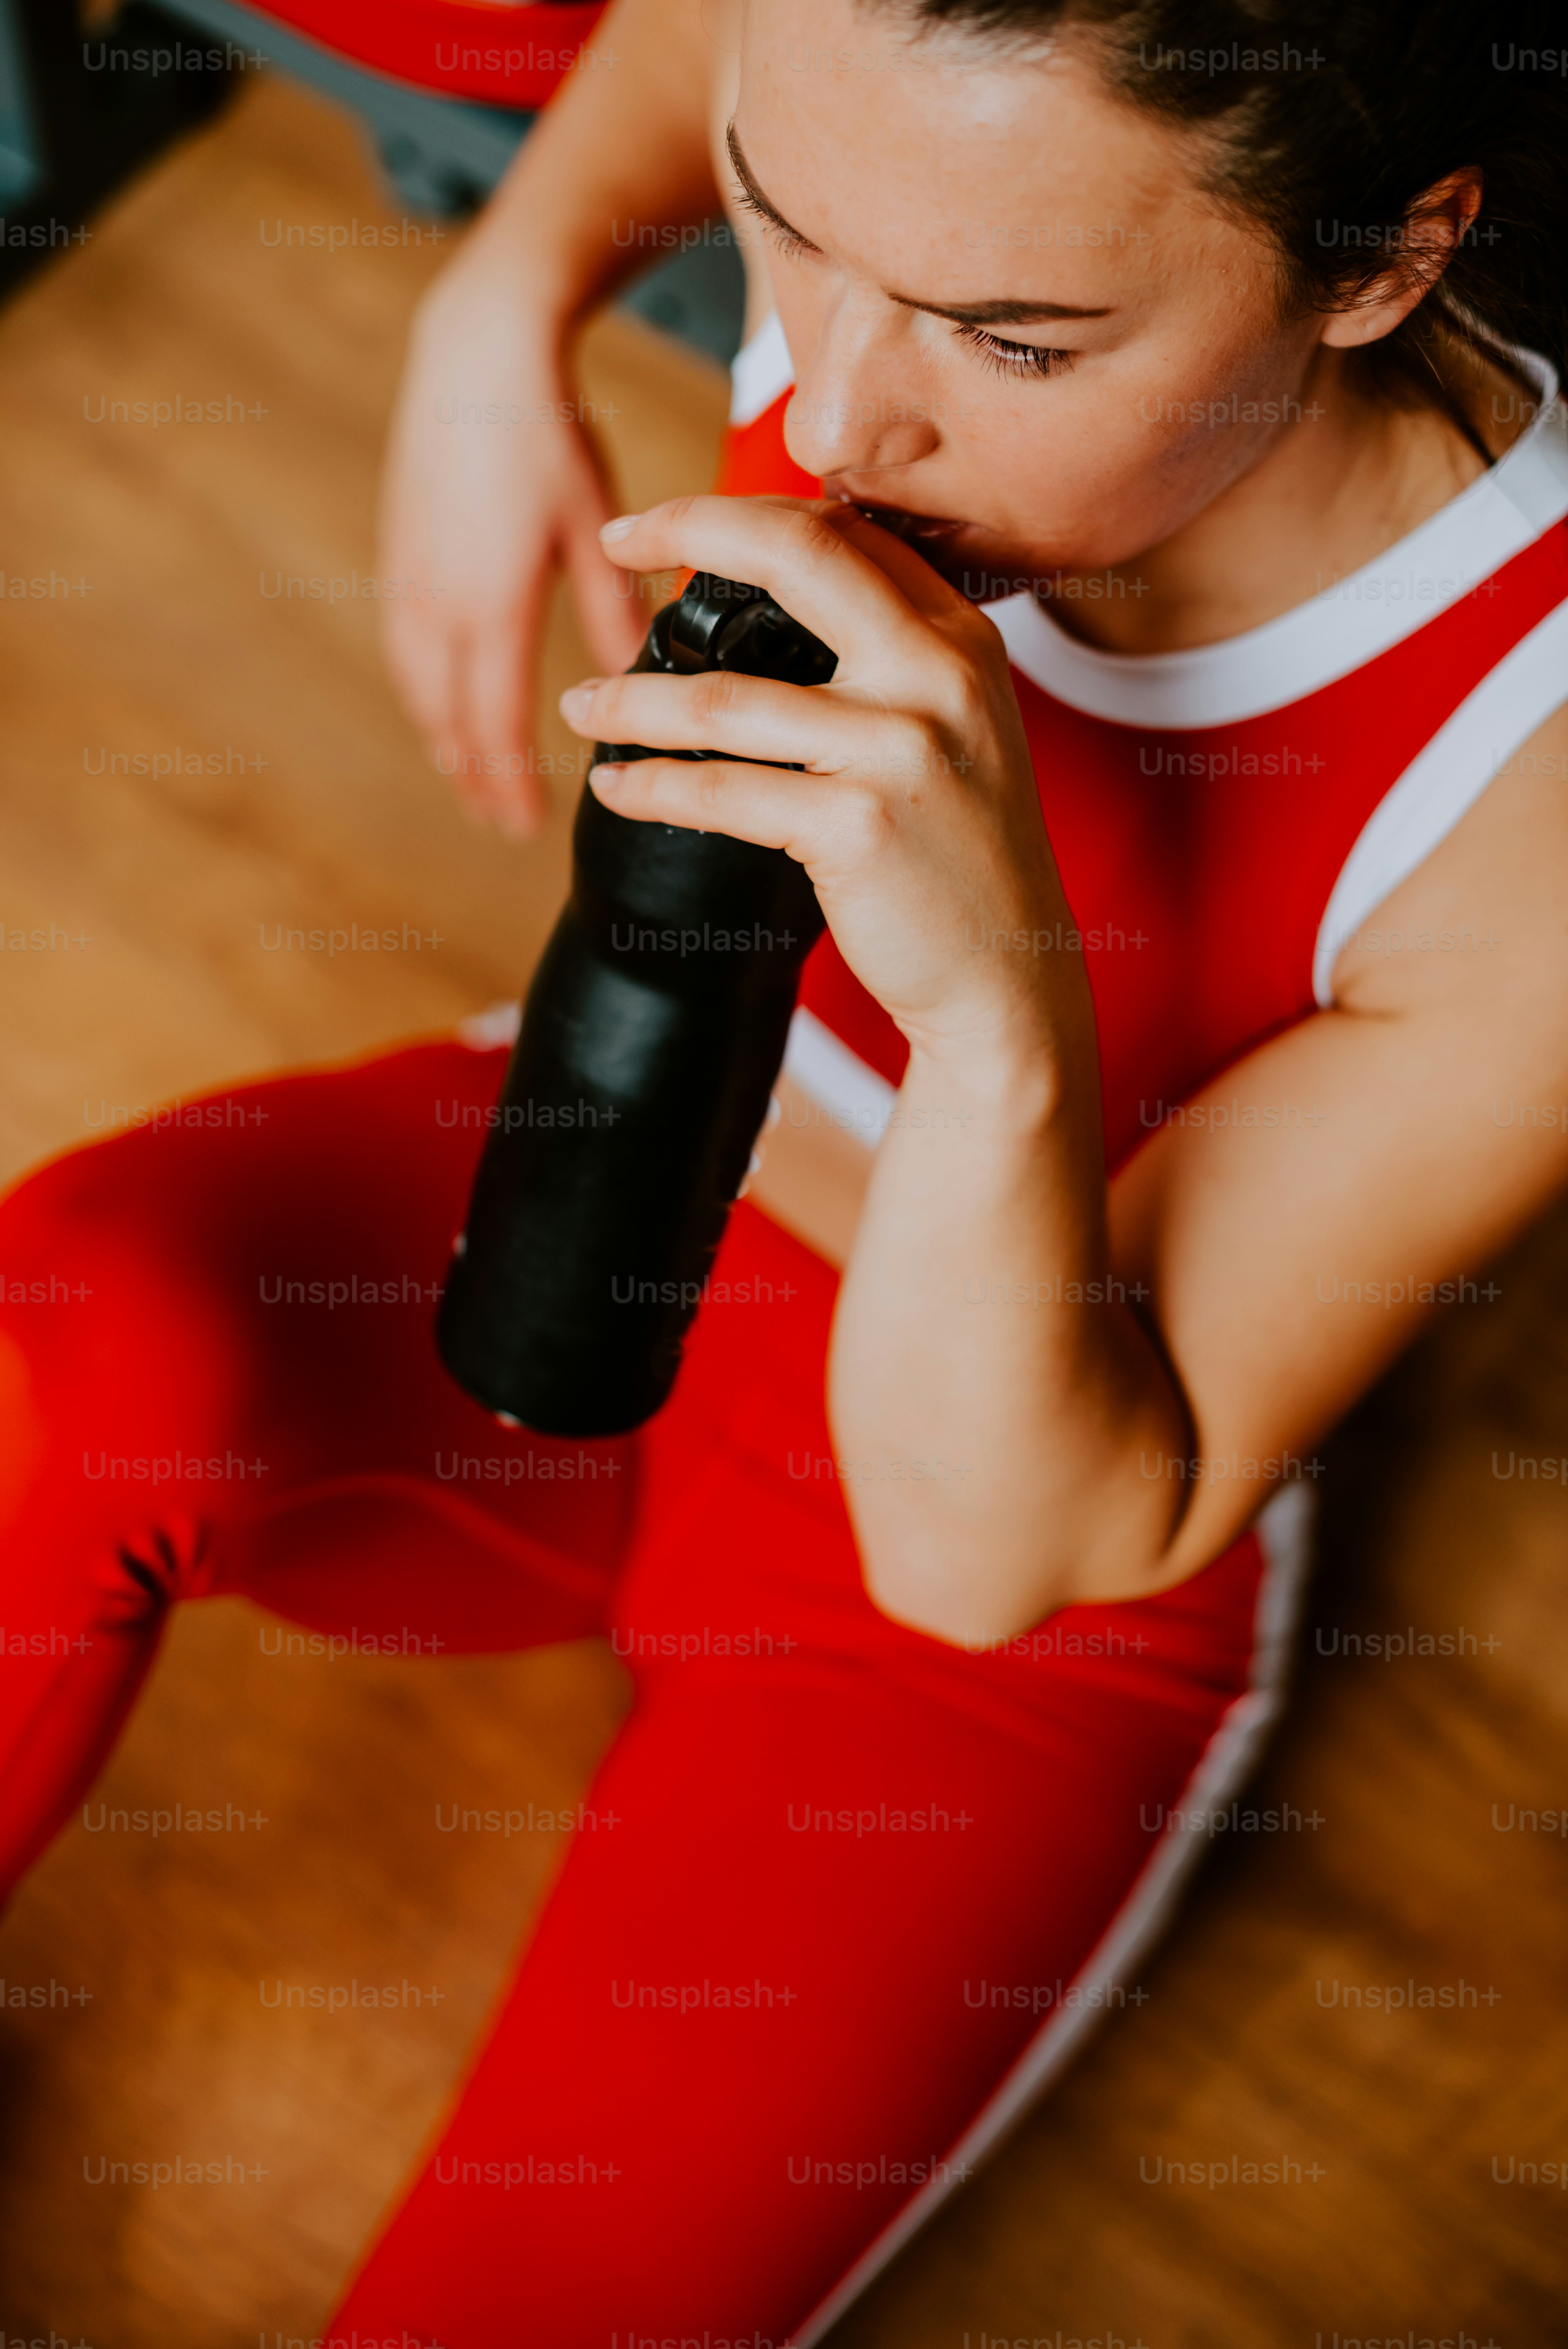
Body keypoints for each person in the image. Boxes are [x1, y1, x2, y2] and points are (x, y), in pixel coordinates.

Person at [4, 0, 1567, 2337]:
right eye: (791, 230)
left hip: (999, 1554)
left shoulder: (1533, 779)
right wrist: (509, 281)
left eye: (1016, 342)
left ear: (1379, 259)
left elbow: (985, 1554)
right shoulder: (894, 123)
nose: (832, 413)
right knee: (69, 1348)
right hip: (602, 1182)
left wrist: (994, 1005)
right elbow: (696, 39)